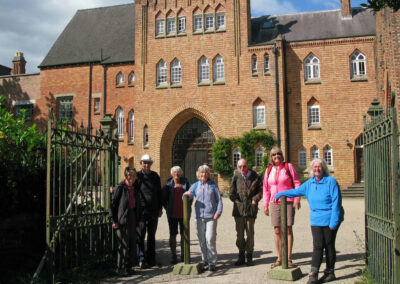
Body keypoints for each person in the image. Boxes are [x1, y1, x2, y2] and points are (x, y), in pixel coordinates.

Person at [274, 158, 344, 284]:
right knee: (317, 246)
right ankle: (314, 273)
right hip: (316, 219)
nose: (317, 169)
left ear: (324, 168)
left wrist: (334, 221)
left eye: (319, 166)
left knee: (328, 245)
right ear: (312, 169)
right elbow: (295, 191)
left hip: (330, 218)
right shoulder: (309, 183)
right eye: (315, 167)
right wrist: (280, 194)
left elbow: (336, 203)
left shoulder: (330, 181)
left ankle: (330, 272)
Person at [263, 146, 301, 268]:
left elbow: (296, 182)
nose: (276, 156)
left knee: (288, 229)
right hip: (274, 203)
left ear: (282, 155)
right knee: (277, 230)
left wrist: (297, 198)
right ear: (271, 157)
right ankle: (279, 258)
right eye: (274, 154)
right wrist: (265, 204)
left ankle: (288, 258)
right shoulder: (269, 170)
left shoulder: (288, 167)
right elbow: (266, 189)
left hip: (288, 202)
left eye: (278, 154)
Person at [183, 165, 223, 272]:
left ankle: (212, 262)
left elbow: (219, 200)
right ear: (198, 174)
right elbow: (188, 195)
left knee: (210, 238)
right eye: (202, 173)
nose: (204, 174)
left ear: (208, 174)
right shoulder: (195, 185)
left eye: (206, 172)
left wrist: (218, 212)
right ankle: (204, 260)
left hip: (211, 216)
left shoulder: (213, 185)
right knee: (202, 240)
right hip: (199, 217)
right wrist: (185, 194)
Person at [229, 158, 263, 266]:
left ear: (247, 166)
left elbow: (261, 190)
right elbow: (231, 192)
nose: (242, 168)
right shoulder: (236, 176)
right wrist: (235, 199)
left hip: (250, 209)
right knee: (239, 235)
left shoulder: (255, 176)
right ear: (237, 167)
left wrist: (255, 199)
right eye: (240, 166)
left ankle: (249, 256)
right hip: (239, 210)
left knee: (250, 234)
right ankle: (241, 256)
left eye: (244, 166)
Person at [109, 166, 138, 276]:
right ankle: (120, 268)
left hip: (132, 216)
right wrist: (113, 220)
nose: (132, 177)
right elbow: (113, 205)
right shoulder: (120, 187)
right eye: (130, 175)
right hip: (122, 218)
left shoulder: (134, 187)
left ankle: (128, 267)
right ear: (126, 175)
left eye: (134, 175)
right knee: (123, 244)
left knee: (131, 242)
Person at [136, 154, 163, 268]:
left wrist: (160, 208)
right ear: (141, 163)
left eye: (148, 163)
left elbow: (159, 193)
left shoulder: (155, 176)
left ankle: (151, 258)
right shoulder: (137, 176)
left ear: (151, 164)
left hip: (153, 210)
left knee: (152, 235)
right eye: (144, 162)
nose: (146, 165)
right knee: (140, 235)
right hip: (141, 211)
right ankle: (141, 259)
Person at [162, 166, 191, 264]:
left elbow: (190, 196)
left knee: (184, 235)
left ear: (181, 173)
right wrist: (167, 209)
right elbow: (164, 198)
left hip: (184, 214)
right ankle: (174, 255)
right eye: (174, 172)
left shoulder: (186, 183)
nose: (176, 174)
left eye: (178, 172)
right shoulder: (168, 184)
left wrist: (187, 207)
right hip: (172, 214)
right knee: (173, 234)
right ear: (171, 174)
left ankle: (184, 255)